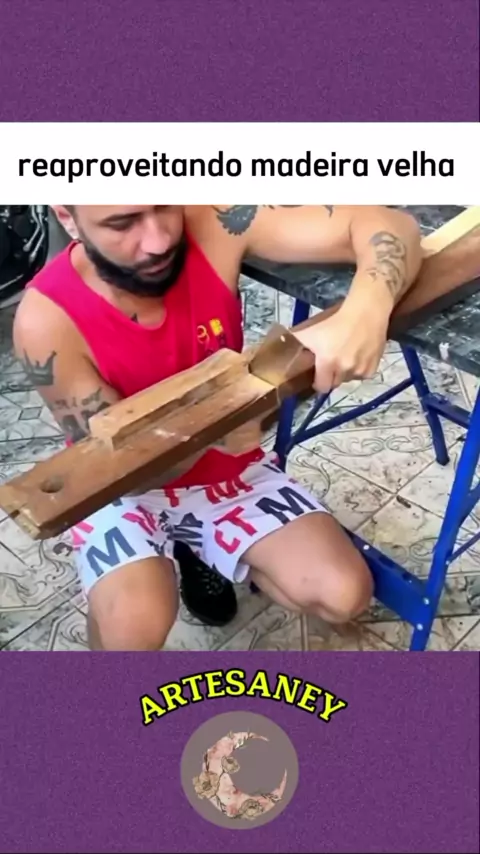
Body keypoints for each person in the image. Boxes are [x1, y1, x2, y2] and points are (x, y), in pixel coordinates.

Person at [13, 205, 422, 650]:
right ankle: (183, 553)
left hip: (223, 468)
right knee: (130, 633)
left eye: (164, 205)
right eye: (122, 223)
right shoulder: (46, 320)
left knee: (344, 593)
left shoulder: (214, 218)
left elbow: (391, 224)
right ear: (67, 216)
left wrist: (365, 310)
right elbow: (122, 470)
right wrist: (211, 431)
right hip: (123, 486)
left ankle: (202, 546)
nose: (159, 240)